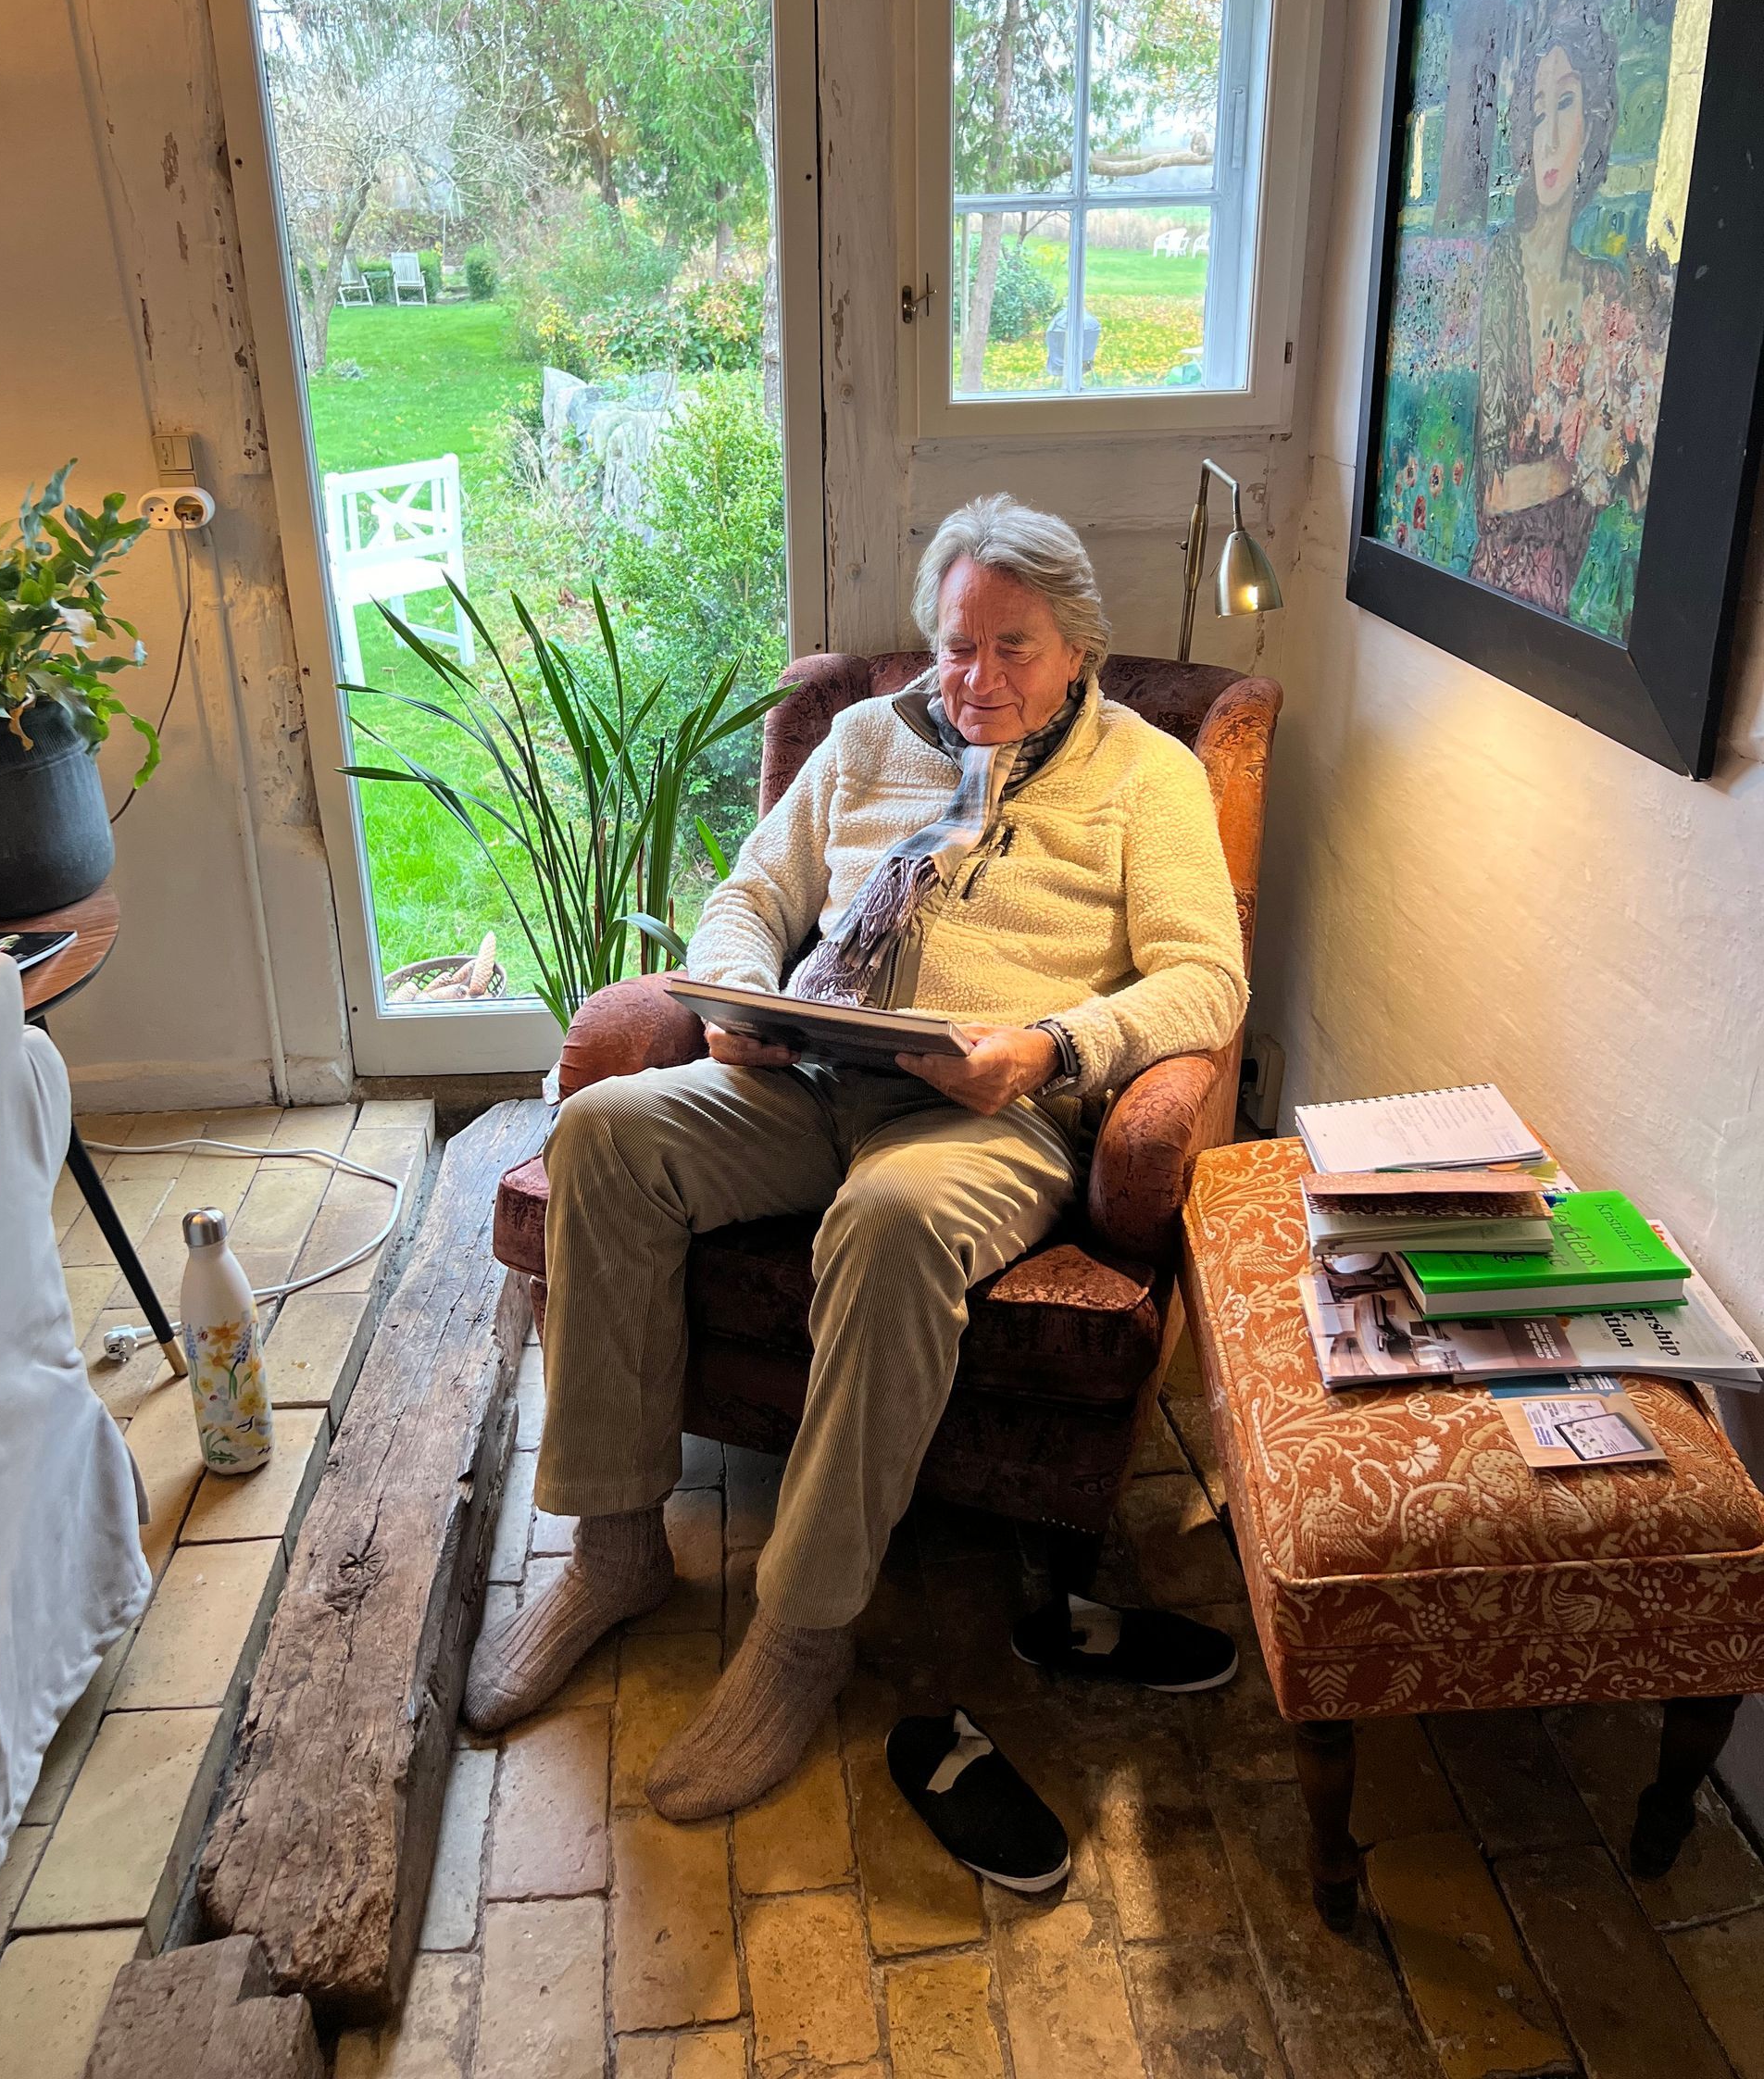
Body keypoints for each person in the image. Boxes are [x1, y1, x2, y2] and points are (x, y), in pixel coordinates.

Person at [462, 495, 1249, 1816]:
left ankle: (801, 1633)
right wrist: (731, 1003)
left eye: (1014, 648)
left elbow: (1202, 982)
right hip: (809, 1079)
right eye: (956, 644)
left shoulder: (1145, 774)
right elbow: (749, 897)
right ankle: (611, 1547)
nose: (975, 678)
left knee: (889, 1223)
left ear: (1079, 649)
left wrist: (1047, 1048)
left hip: (985, 1117)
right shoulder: (862, 739)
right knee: (603, 1130)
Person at [1471, 0, 1658, 625]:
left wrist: (1634, 458)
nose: (1548, 136)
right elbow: (1493, 489)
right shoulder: (1505, 264)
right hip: (1493, 606)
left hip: (1572, 627)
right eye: (1537, 114)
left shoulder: (1607, 293)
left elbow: (1633, 479)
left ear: (1595, 123)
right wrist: (1585, 464)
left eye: (1567, 105)